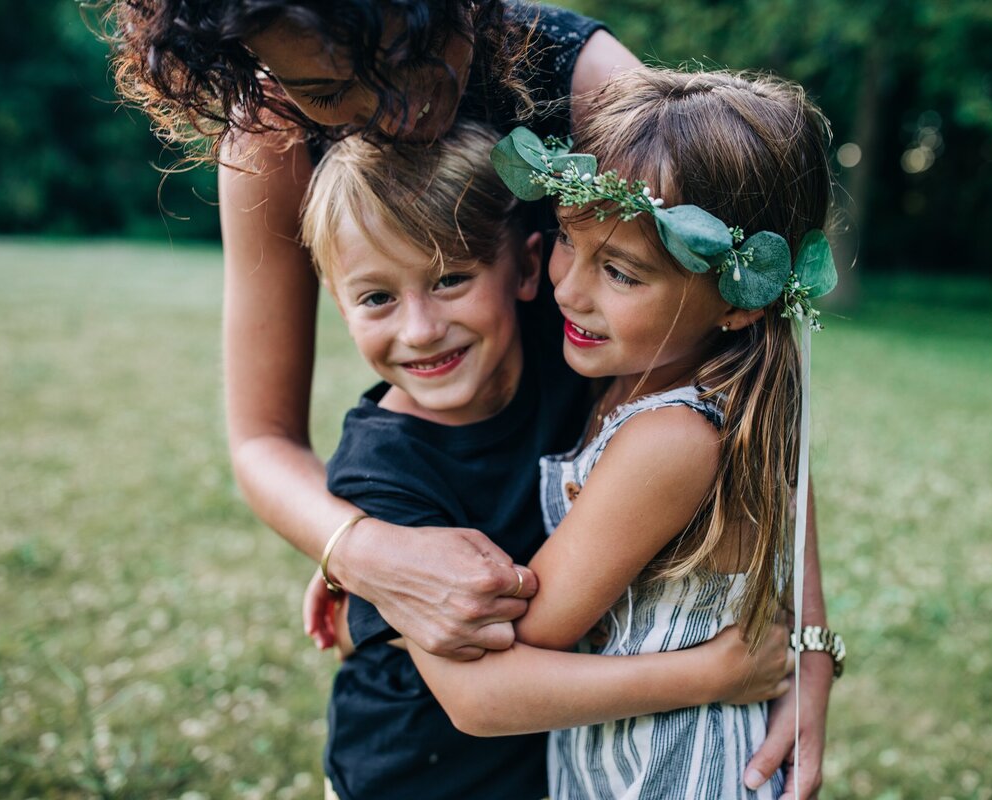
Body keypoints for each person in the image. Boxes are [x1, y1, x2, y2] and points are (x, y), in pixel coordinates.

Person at [99, 1, 833, 792]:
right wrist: (370, 550)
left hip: (569, 541)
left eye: (409, 59)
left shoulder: (592, 85)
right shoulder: (270, 132)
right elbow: (261, 439)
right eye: (327, 89)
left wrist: (808, 636)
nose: (390, 111)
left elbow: (752, 345)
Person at [298, 121, 794, 799]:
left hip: (550, 765)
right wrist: (712, 674)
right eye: (376, 297)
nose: (419, 329)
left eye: (450, 280)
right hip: (414, 777)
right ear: (339, 303)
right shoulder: (379, 468)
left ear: (527, 269)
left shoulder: (577, 356)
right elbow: (479, 694)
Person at [400, 67, 845, 799]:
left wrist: (390, 579)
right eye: (568, 240)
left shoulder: (669, 439)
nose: (568, 288)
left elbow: (516, 634)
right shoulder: (644, 381)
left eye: (622, 273)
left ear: (740, 302)